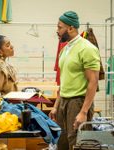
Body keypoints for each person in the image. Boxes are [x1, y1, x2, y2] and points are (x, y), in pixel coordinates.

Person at [49, 11, 100, 150]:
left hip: (77, 102)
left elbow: (93, 82)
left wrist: (83, 112)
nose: (57, 31)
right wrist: (56, 105)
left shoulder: (87, 48)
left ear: (70, 28)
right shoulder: (64, 49)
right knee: (62, 143)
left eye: (60, 27)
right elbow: (63, 82)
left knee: (78, 143)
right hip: (63, 102)